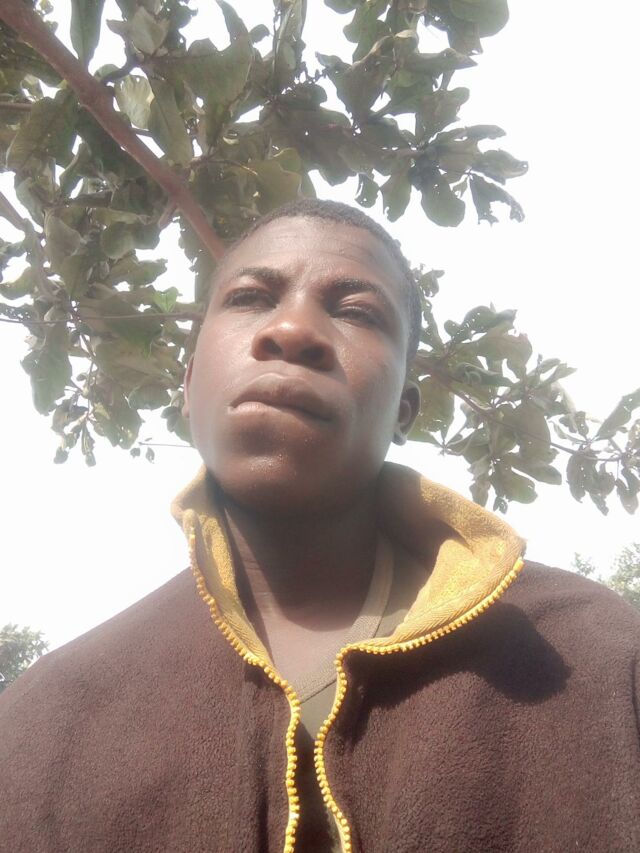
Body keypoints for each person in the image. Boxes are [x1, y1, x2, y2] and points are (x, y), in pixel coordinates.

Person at [1, 199, 639, 853]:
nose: (292, 330)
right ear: (188, 386)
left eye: (356, 311)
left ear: (405, 410)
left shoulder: (594, 654)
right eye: (250, 298)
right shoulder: (43, 720)